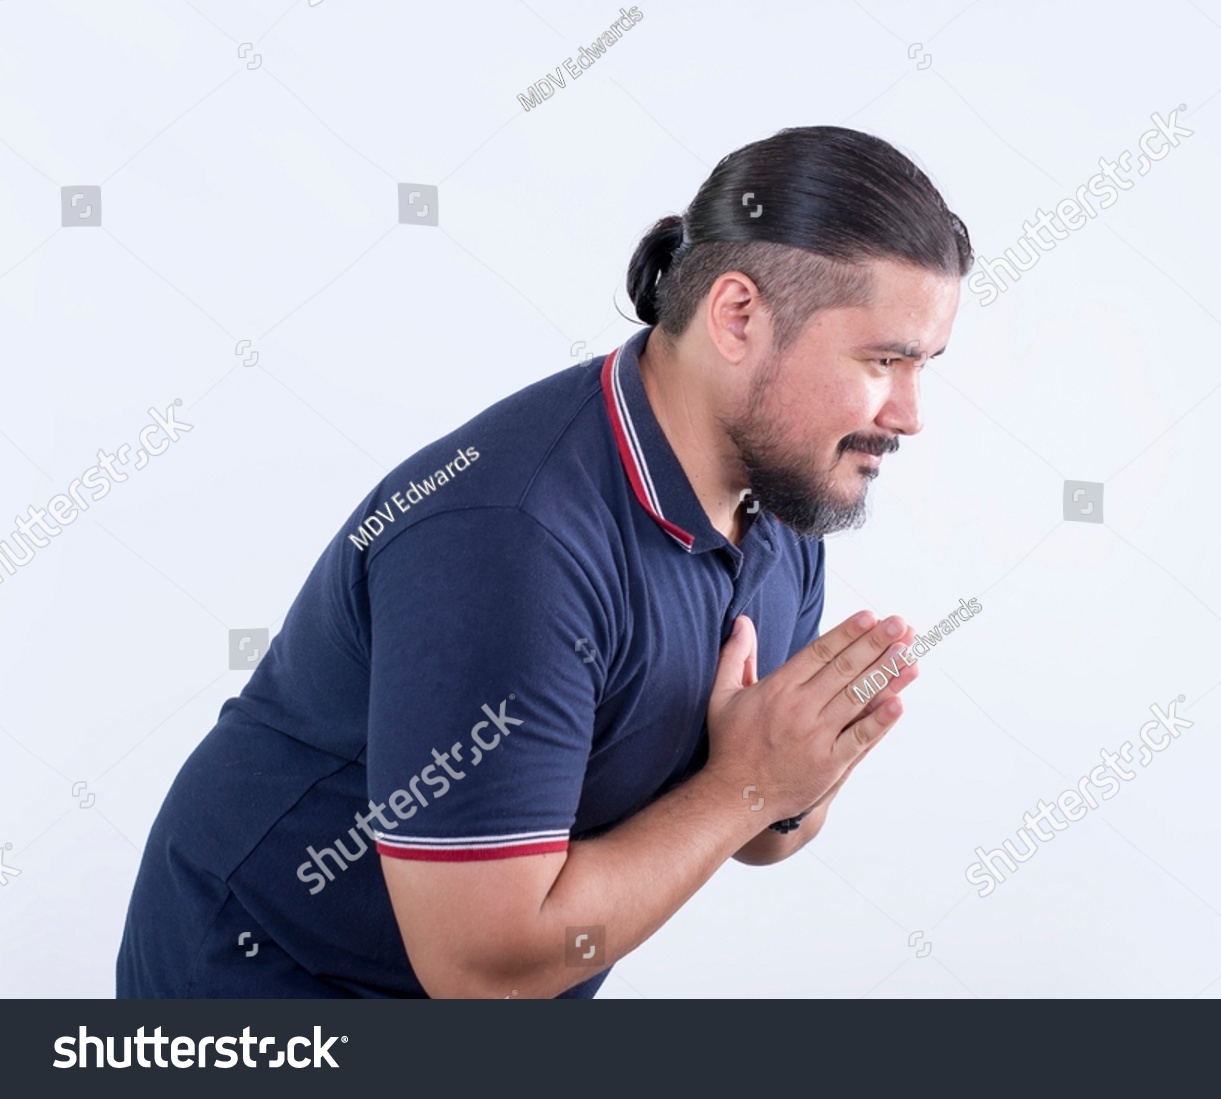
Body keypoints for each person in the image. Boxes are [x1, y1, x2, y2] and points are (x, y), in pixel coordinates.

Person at [116, 124, 971, 998]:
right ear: (739, 316)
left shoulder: (783, 499)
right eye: (883, 360)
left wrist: (789, 771)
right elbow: (483, 967)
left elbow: (761, 828)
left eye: (925, 364)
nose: (909, 413)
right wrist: (749, 784)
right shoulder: (511, 541)